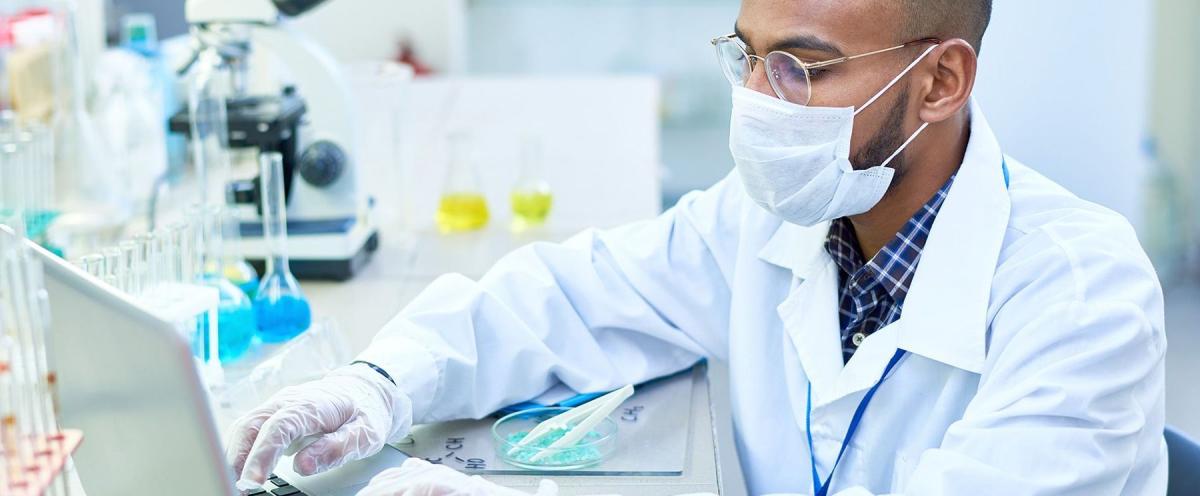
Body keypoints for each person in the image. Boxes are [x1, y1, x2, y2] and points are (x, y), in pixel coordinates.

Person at [227, 0, 1168, 494]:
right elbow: (568, 298)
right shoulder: (775, 219)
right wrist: (378, 385)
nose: (759, 100)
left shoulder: (1082, 297)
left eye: (803, 67)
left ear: (940, 83)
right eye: (745, 54)